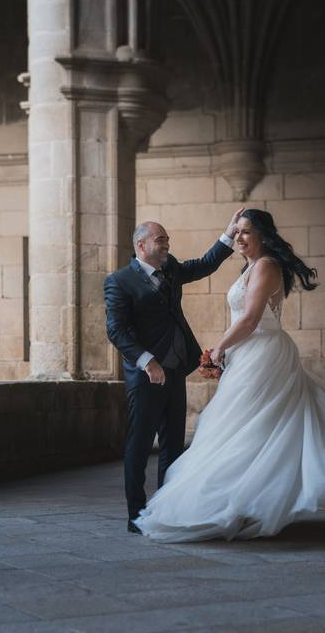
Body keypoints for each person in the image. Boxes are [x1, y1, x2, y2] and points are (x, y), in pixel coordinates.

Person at [133, 209, 325, 542]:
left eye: (246, 232)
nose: (240, 238)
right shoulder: (251, 266)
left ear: (263, 235)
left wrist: (218, 350)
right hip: (248, 354)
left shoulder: (267, 266)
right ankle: (245, 503)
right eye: (238, 233)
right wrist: (227, 352)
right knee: (247, 429)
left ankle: (243, 504)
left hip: (263, 352)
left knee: (250, 428)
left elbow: (250, 320)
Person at [104, 208, 245, 534]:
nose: (167, 244)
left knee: (173, 446)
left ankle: (165, 510)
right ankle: (136, 515)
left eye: (167, 239)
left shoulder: (169, 269)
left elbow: (203, 265)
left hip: (177, 371)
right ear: (141, 245)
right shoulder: (118, 282)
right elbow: (117, 331)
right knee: (139, 446)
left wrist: (227, 235)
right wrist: (147, 362)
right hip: (145, 377)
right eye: (160, 239)